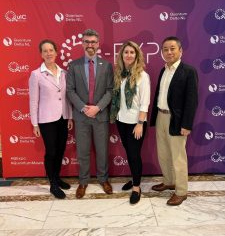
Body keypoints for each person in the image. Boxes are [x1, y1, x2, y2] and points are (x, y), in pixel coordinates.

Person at [150, 36, 198, 206]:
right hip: (161, 116)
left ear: (180, 51)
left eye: (172, 48)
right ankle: (169, 181)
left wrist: (186, 124)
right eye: (165, 49)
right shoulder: (164, 70)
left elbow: (191, 101)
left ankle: (181, 191)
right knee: (163, 153)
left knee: (178, 156)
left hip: (177, 120)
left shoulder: (188, 71)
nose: (168, 52)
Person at [66, 28, 114, 199]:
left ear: (98, 44)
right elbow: (70, 91)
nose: (90, 45)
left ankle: (103, 179)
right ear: (82, 44)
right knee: (83, 151)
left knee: (102, 150)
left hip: (100, 116)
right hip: (81, 117)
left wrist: (97, 107)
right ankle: (83, 181)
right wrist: (84, 108)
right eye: (87, 41)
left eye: (93, 42)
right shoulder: (73, 65)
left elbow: (110, 91)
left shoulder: (107, 65)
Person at [29, 39, 73, 199]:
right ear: (41, 54)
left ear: (56, 52)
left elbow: (67, 97)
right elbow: (33, 100)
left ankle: (57, 177)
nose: (48, 53)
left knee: (61, 150)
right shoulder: (36, 74)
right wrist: (34, 123)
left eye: (51, 50)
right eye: (45, 51)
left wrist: (69, 116)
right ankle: (52, 184)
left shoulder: (64, 73)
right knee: (51, 151)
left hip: (63, 117)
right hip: (46, 119)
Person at [110, 41, 150, 205]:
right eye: (126, 52)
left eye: (132, 52)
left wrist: (140, 123)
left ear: (136, 55)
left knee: (134, 155)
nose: (128, 55)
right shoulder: (119, 73)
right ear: (122, 55)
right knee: (129, 153)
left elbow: (145, 102)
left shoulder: (142, 76)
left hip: (136, 122)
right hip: (121, 121)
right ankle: (134, 179)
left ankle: (136, 187)